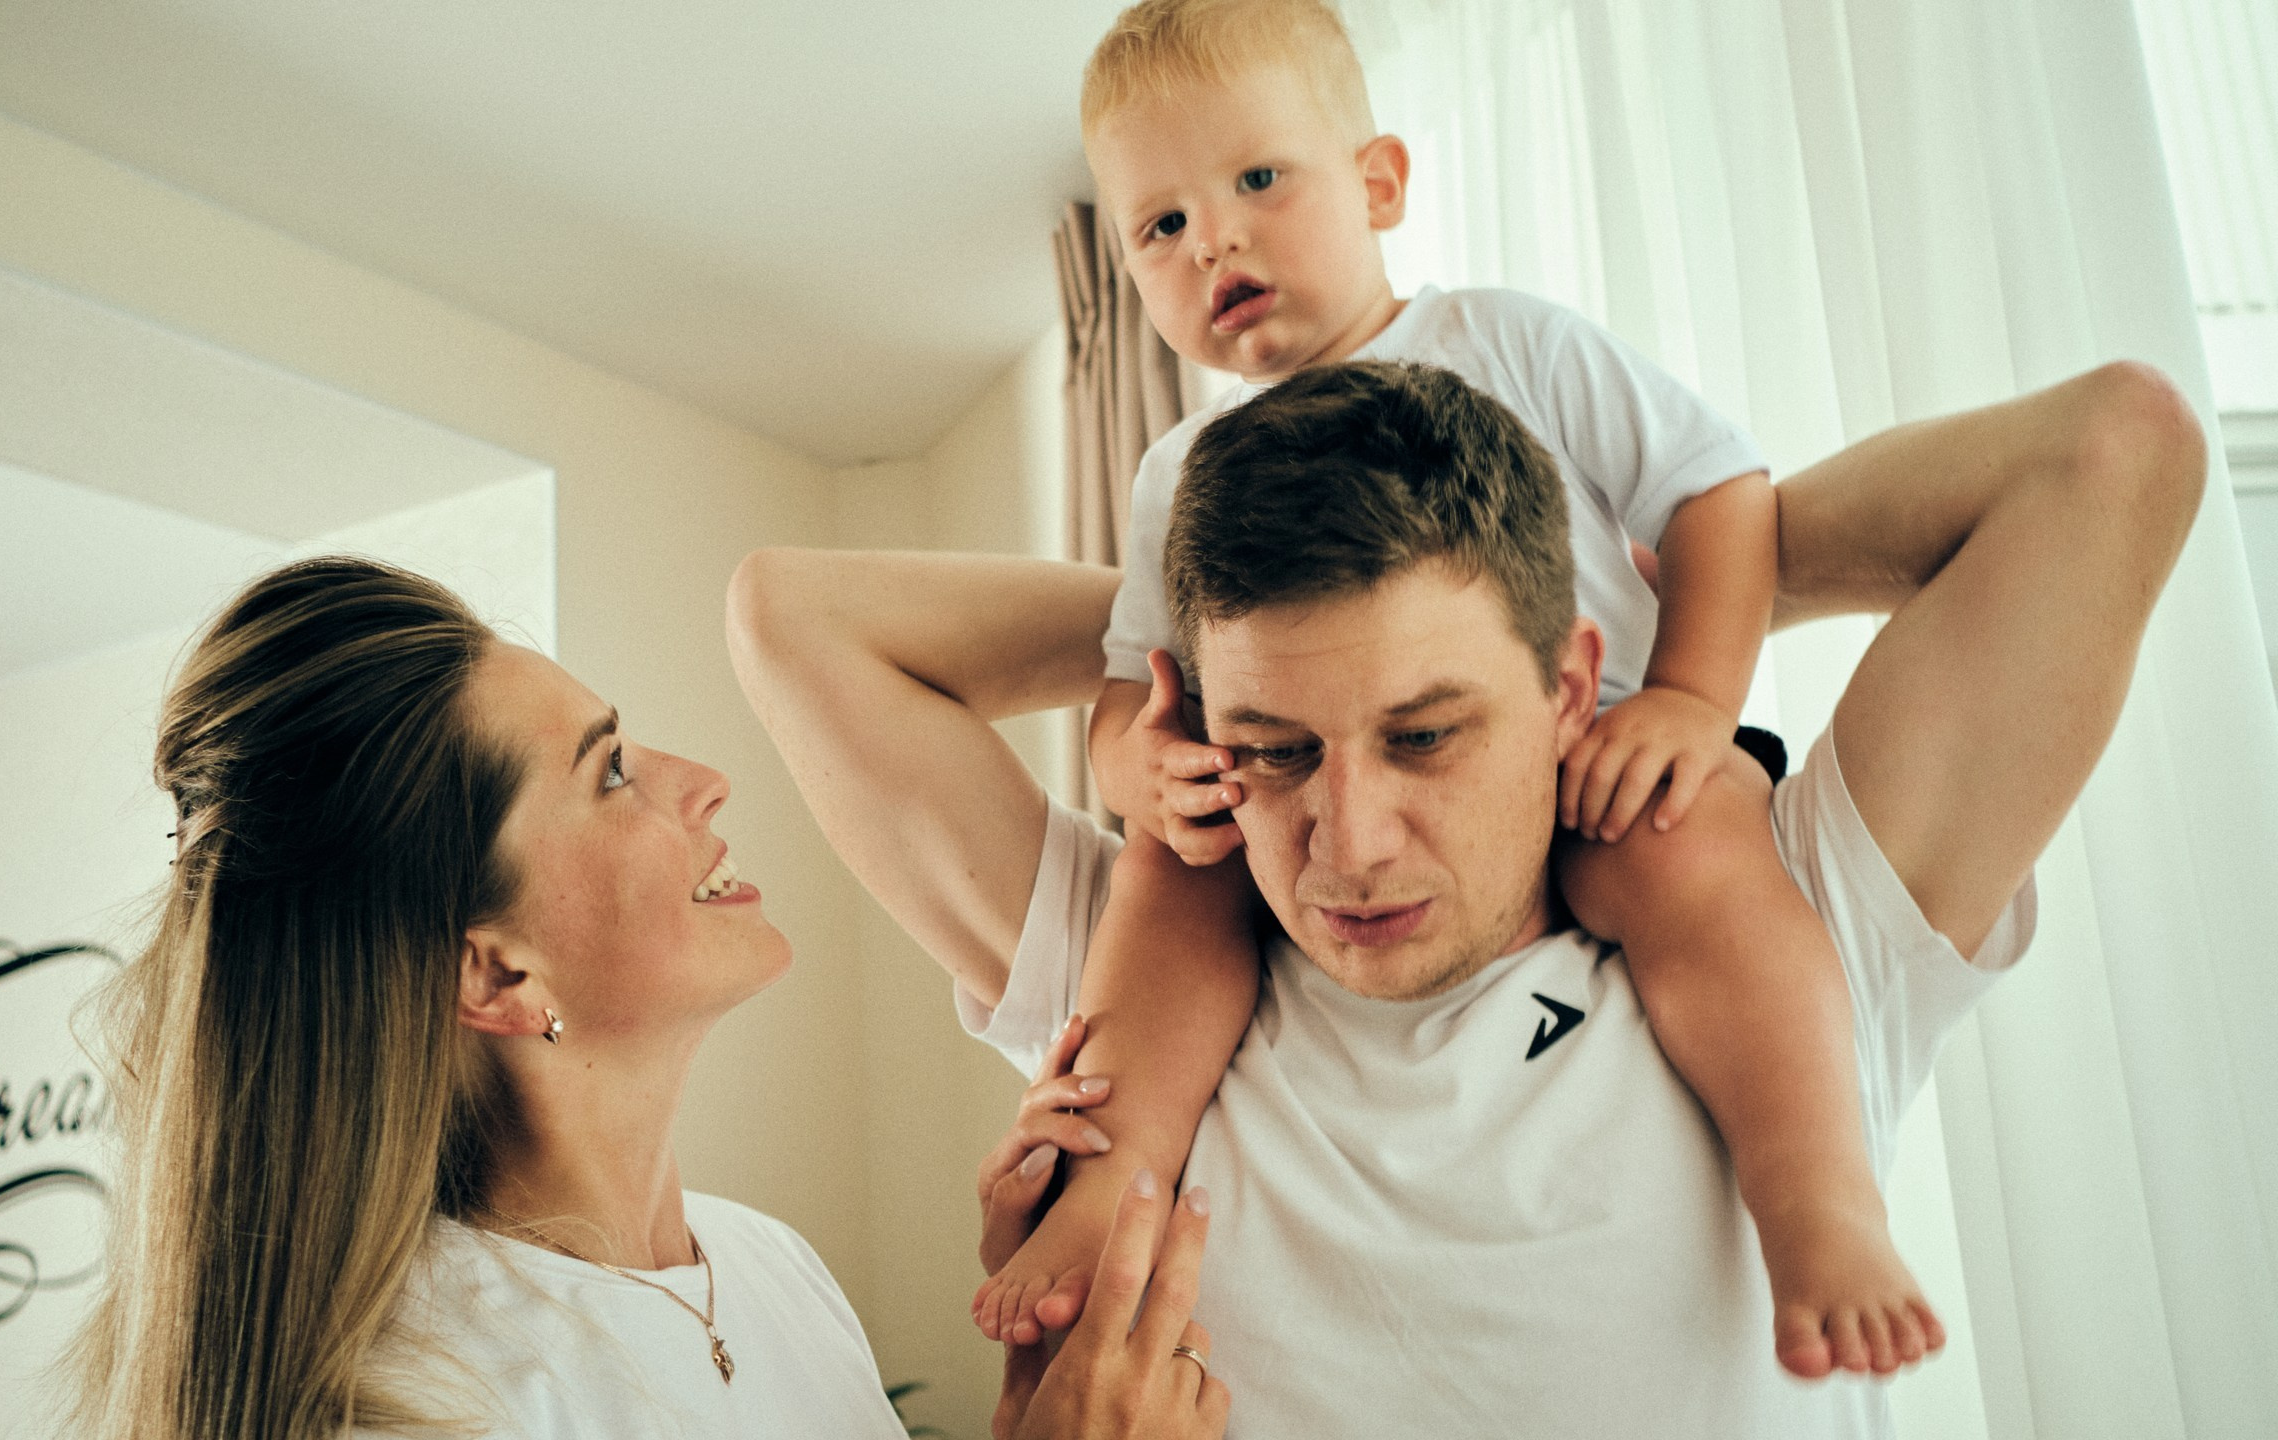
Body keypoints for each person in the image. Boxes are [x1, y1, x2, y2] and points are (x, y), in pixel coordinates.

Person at [728, 358, 2204, 1435]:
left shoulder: (1784, 926)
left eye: (1426, 734)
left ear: (1568, 687)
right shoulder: (1143, 987)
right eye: (1274, 749)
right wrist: (1150, 645)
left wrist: (1666, 610)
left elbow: (2114, 452)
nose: (1349, 843)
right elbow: (792, 618)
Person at [1007, 0, 1911, 1379]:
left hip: (1600, 758)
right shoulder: (1177, 470)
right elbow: (1138, 691)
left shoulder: (1508, 339)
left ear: (1379, 182)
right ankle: (1106, 1183)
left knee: (1703, 869)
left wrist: (1688, 702)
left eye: (1257, 180)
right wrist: (1143, 771)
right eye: (1161, 226)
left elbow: (1721, 492)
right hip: (1321, 798)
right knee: (1161, 877)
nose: (1214, 243)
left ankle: (1816, 1198)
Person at [62, 557, 1225, 1440]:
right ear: (494, 974)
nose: (703, 783)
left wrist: (1033, 1406)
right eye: (609, 769)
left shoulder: (765, 1267)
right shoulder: (416, 1403)